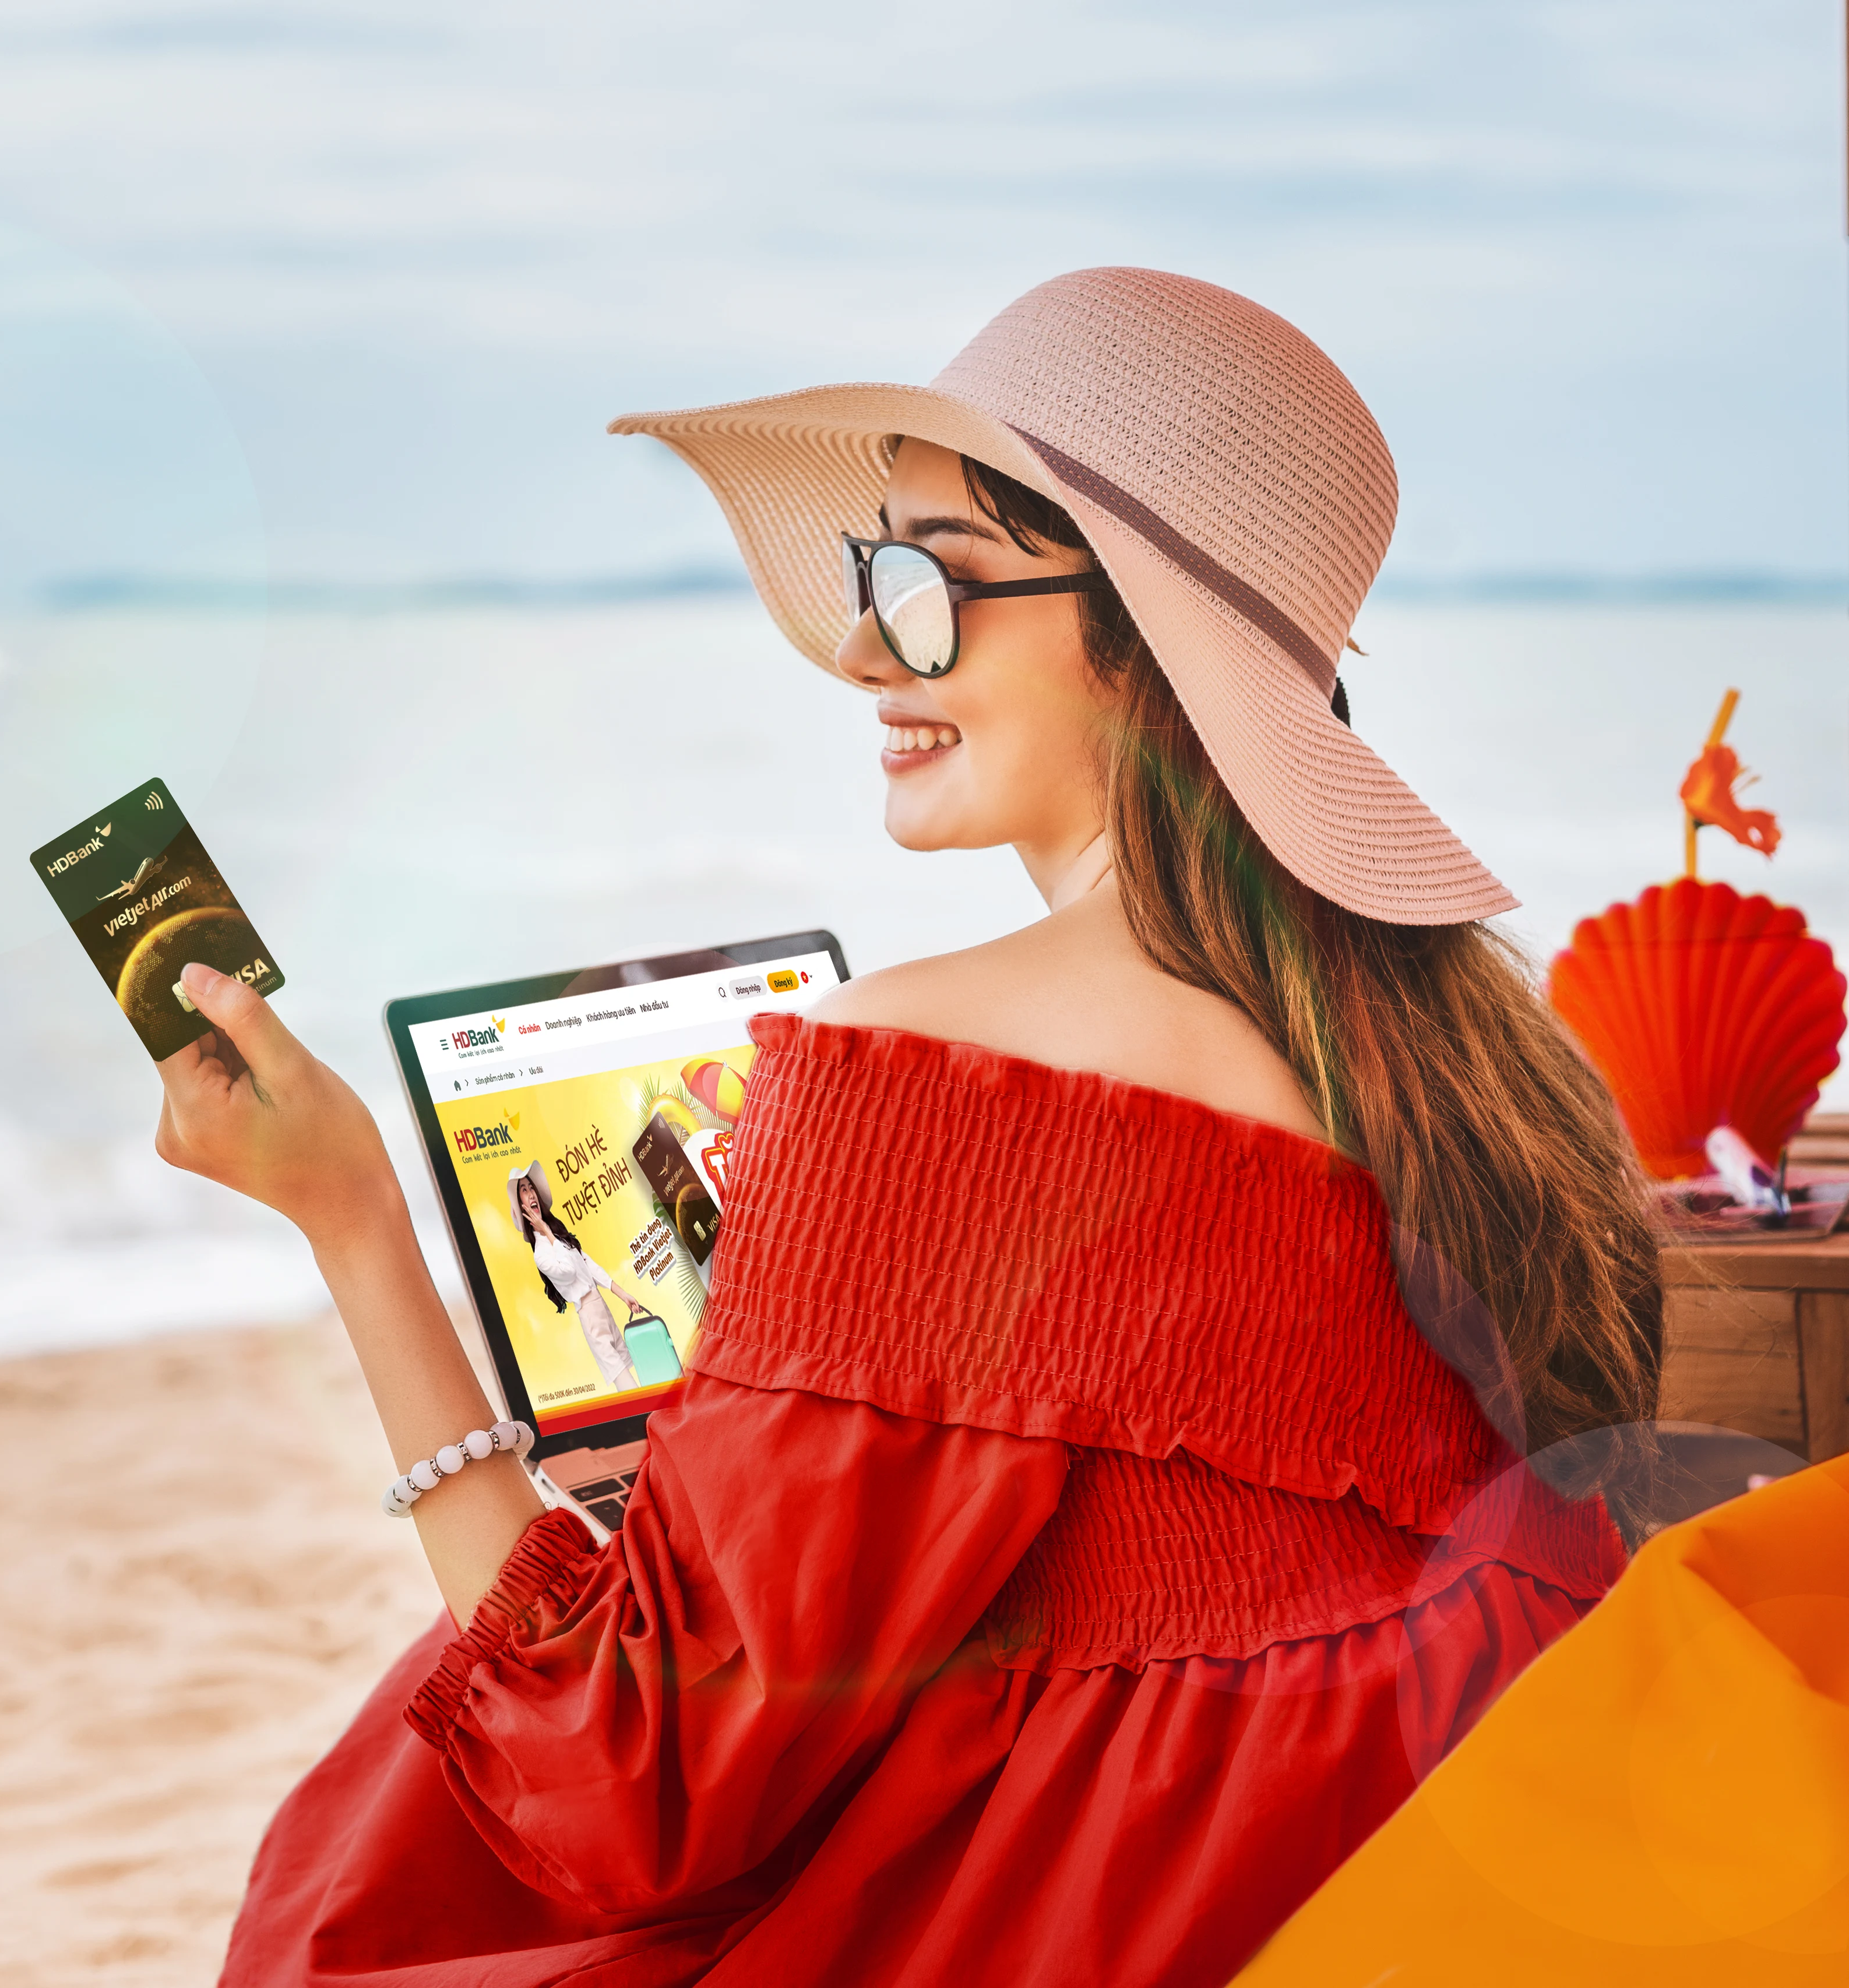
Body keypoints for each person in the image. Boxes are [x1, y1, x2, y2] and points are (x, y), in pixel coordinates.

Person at [150, 268, 1663, 1987]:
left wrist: (352, 1221)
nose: (868, 649)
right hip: (1426, 1865)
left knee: (391, 1841)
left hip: (1141, 1911)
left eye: (929, 590)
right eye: (877, 579)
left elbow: (629, 1786)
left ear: (1139, 633)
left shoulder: (935, 1067)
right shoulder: (1483, 1062)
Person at [508, 1161, 654, 1391]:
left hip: (600, 1304)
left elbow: (589, 1265)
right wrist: (546, 1232)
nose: (531, 1193)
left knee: (629, 1366)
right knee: (623, 1379)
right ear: (521, 1206)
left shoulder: (558, 1235)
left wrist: (622, 1294)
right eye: (524, 1191)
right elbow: (568, 1271)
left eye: (531, 1187)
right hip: (588, 1312)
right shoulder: (542, 1254)